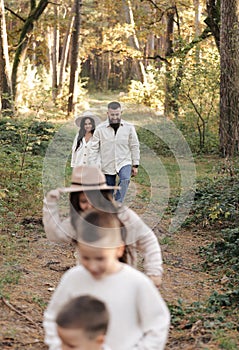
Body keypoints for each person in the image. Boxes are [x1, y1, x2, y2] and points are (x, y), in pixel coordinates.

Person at [43, 209, 170, 350]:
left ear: (119, 249)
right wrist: (58, 345)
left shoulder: (136, 283)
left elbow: (158, 324)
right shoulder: (73, 278)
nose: (92, 266)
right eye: (85, 257)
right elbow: (53, 316)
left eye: (100, 258)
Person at [43, 165, 163, 288]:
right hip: (89, 282)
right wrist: (50, 204)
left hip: (122, 281)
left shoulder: (122, 215)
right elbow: (55, 235)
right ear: (76, 202)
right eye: (84, 201)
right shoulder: (79, 220)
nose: (89, 206)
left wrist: (154, 272)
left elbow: (147, 239)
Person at [88, 101, 140, 203]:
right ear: (107, 113)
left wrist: (135, 164)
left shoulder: (129, 128)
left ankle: (118, 203)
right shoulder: (100, 129)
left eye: (117, 114)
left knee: (125, 179)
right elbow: (94, 149)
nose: (115, 117)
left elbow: (134, 145)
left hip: (124, 161)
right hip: (107, 164)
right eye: (112, 114)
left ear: (121, 113)